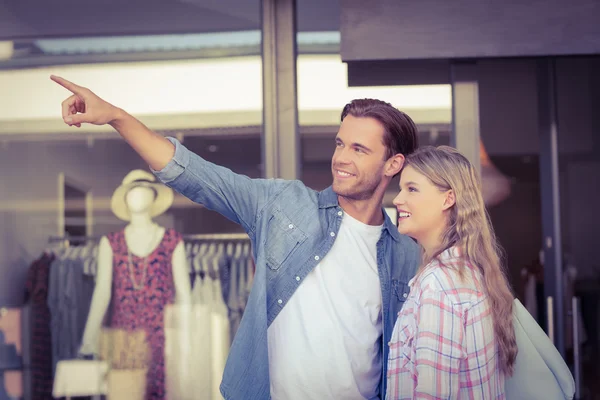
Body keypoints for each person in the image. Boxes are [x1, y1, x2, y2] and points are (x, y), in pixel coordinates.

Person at [50, 75, 422, 400]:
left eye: (359, 149)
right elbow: (192, 174)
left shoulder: (406, 254)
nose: (341, 157)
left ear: (393, 164)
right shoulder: (283, 205)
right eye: (340, 143)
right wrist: (117, 116)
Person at [387, 145, 517, 399]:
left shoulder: (439, 283)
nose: (398, 199)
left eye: (412, 189)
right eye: (402, 188)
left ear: (448, 199)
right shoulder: (464, 270)